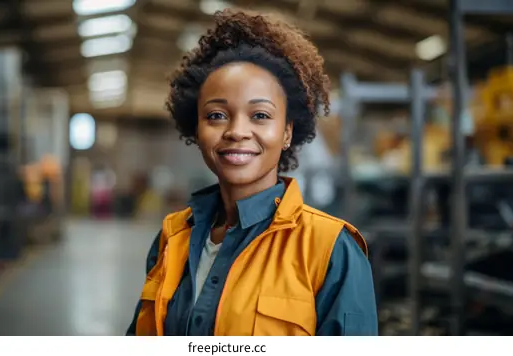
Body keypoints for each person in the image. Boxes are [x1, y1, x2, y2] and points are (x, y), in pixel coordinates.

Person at [126, 9, 377, 336]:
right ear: (196, 127)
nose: (236, 131)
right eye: (216, 115)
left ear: (287, 132)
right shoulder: (172, 238)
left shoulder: (331, 250)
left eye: (259, 115)